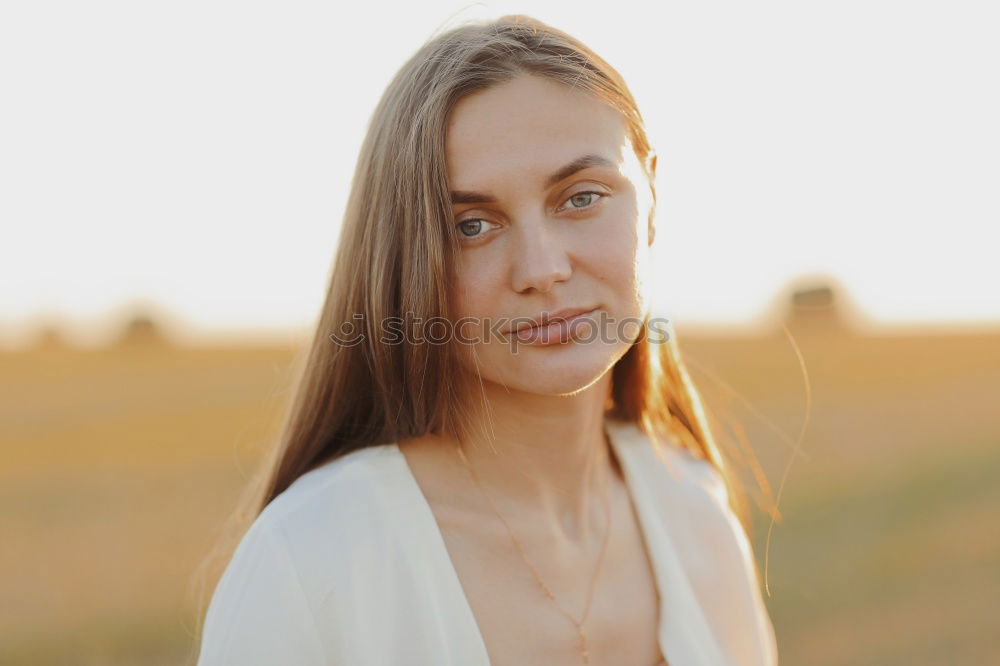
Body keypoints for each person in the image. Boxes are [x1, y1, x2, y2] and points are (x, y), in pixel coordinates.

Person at [194, 14, 779, 666]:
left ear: (652, 198)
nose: (541, 269)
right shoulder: (311, 564)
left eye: (581, 198)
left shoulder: (692, 509)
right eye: (472, 226)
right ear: (405, 256)